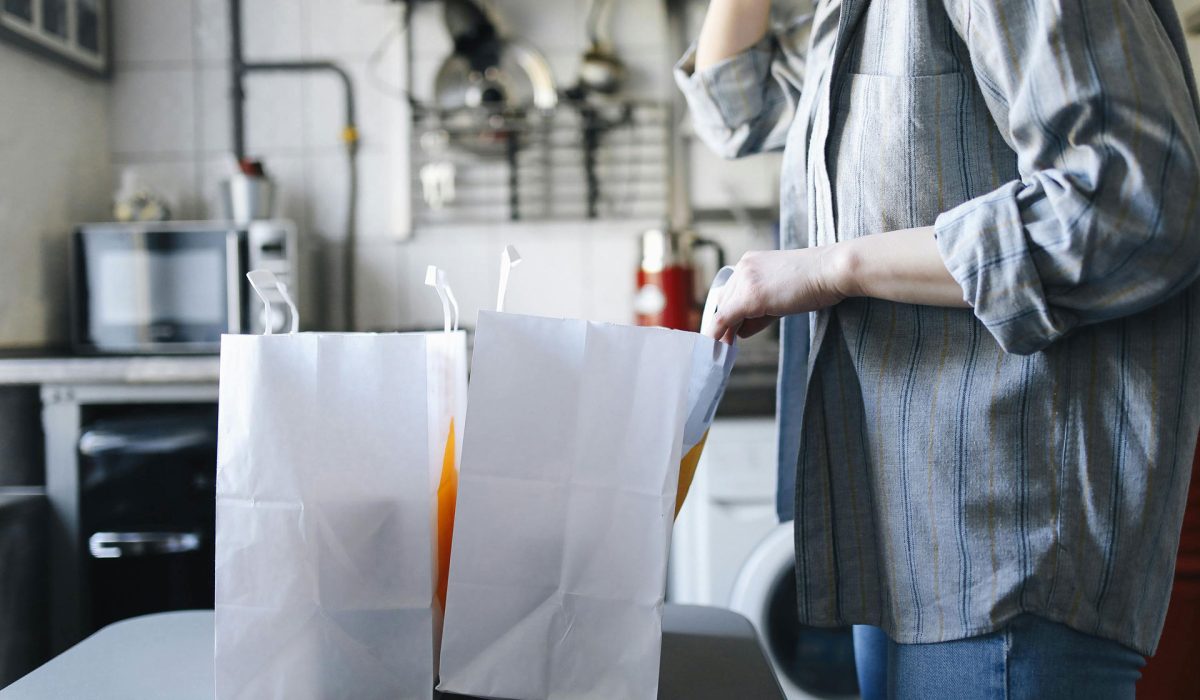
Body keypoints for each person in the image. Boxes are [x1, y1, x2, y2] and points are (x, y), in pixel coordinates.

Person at [678, 1, 1200, 698]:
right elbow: (736, 107)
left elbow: (1143, 203)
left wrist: (834, 267)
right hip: (899, 534)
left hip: (1007, 550)